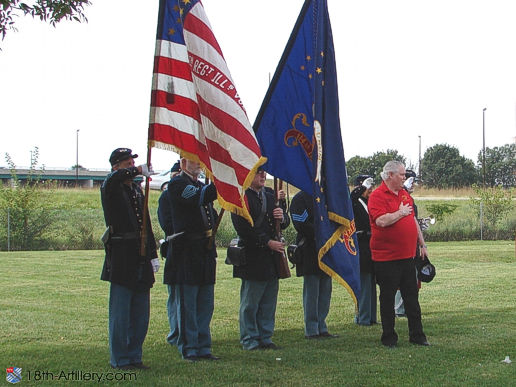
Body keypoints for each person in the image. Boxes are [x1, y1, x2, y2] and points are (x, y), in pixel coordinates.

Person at [100, 147, 159, 370]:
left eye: (132, 164)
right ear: (116, 166)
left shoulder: (136, 191)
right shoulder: (111, 187)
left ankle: (135, 355)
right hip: (123, 254)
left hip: (141, 254)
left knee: (140, 314)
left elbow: (147, 225)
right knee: (121, 313)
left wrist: (152, 254)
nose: (132, 168)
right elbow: (115, 179)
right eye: (127, 164)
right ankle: (120, 358)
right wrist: (136, 171)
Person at [160, 157, 219, 361]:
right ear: (183, 163)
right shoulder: (178, 184)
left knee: (205, 303)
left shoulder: (200, 185)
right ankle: (189, 347)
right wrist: (223, 181)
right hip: (187, 251)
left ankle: (204, 345)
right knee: (188, 304)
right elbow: (198, 198)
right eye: (194, 161)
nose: (199, 165)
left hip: (204, 250)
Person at [368, 160, 429, 347]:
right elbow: (381, 221)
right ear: (390, 175)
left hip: (407, 256)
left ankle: (417, 336)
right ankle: (389, 338)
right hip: (387, 258)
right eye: (402, 175)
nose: (405, 178)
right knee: (387, 298)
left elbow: (413, 220)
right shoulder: (377, 196)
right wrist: (400, 213)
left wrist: (422, 243)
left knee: (412, 297)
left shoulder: (404, 194)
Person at [231, 167, 289, 350]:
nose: (263, 176)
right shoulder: (242, 197)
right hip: (254, 255)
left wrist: (283, 216)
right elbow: (244, 229)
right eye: (258, 173)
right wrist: (267, 242)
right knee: (251, 302)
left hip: (271, 257)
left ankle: (265, 336)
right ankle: (249, 338)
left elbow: (282, 223)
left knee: (268, 301)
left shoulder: (271, 195)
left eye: (264, 173)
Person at [289, 190, 337, 339]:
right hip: (310, 248)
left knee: (325, 290)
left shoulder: (326, 196)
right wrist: (323, 233)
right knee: (312, 291)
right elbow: (301, 223)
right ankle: (311, 328)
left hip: (327, 248)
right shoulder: (300, 199)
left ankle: (322, 326)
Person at [394, 169, 425, 317]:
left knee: (413, 277)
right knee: (403, 277)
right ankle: (399, 308)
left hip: (412, 244)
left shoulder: (409, 199)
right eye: (411, 182)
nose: (413, 185)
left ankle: (408, 307)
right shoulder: (401, 197)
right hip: (403, 245)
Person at [157, 160, 181, 346]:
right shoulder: (166, 197)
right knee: (176, 295)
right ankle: (175, 332)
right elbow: (167, 224)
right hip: (176, 248)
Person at [350, 174, 377, 326]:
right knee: (364, 283)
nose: (370, 189)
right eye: (367, 186)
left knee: (371, 283)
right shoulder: (355, 202)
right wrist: (360, 189)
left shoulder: (368, 202)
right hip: (361, 246)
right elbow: (351, 198)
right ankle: (363, 317)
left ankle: (371, 316)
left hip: (372, 246)